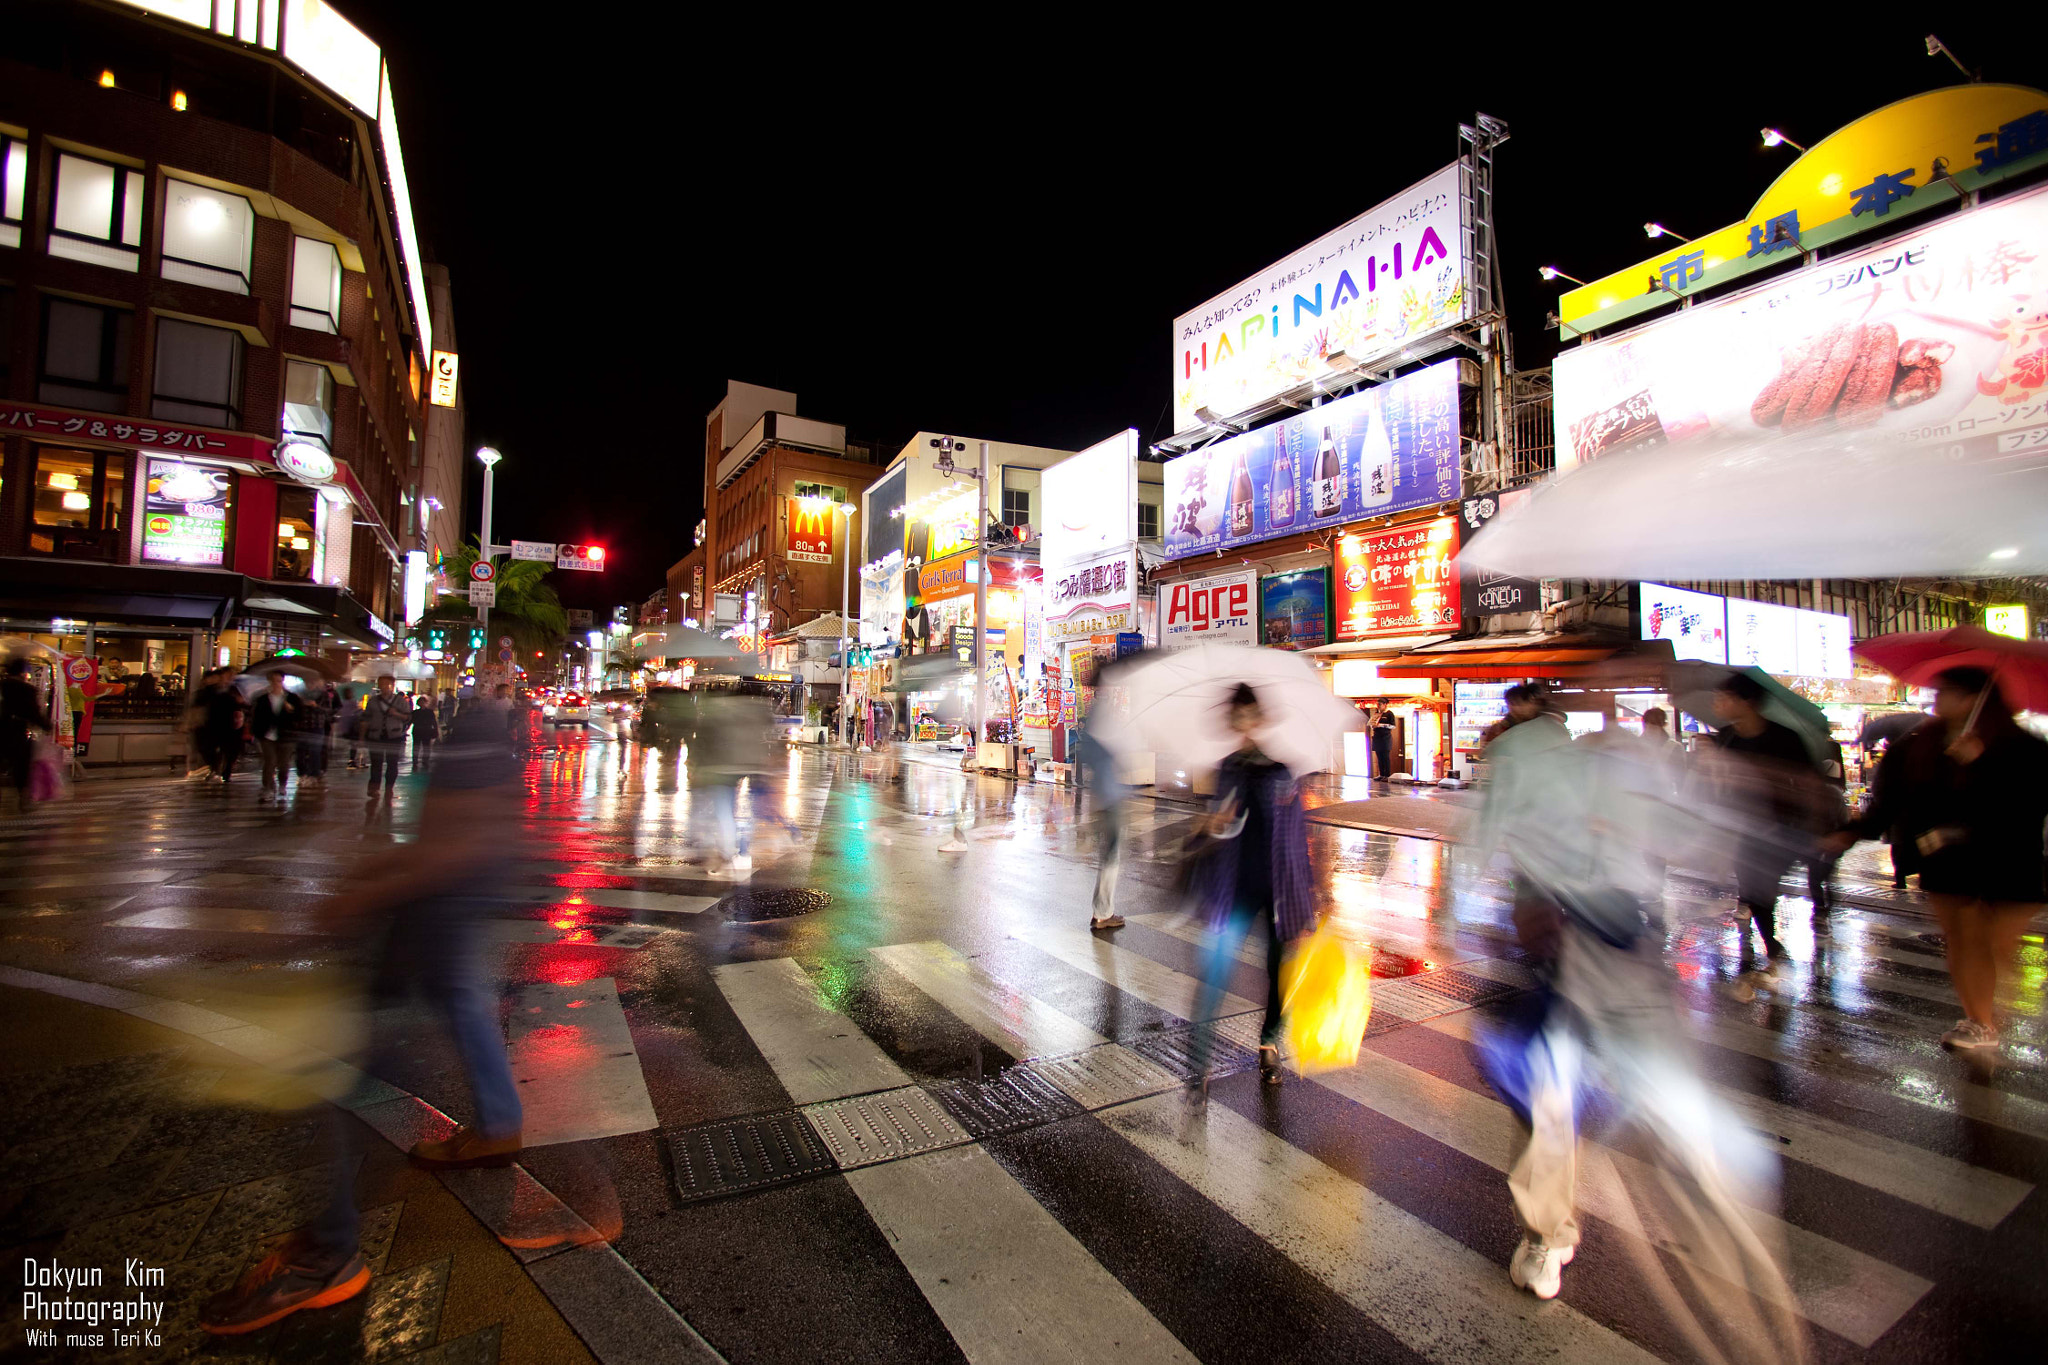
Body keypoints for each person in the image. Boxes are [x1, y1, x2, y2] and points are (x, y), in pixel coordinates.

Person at [200, 678, 528, 1336]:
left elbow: (461, 841)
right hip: (434, 919)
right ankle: (497, 1122)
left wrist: (366, 894)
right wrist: (380, 874)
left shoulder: (477, 736)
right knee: (448, 999)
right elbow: (464, 836)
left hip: (427, 920)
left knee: (325, 1071)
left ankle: (327, 1251)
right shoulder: (487, 734)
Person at [1829, 668, 2048, 1050]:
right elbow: (1891, 797)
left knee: (1993, 943)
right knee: (1963, 940)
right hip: (1948, 859)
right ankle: (1979, 1021)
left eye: (1946, 692)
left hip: (2009, 861)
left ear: (1973, 698)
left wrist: (1980, 766)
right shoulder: (1922, 743)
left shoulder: (2020, 745)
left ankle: (1990, 1009)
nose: (1937, 699)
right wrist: (1852, 832)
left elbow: (2033, 804)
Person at [1185, 683, 1317, 1089]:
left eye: (1248, 718)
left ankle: (1269, 1043)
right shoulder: (1226, 769)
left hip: (1276, 889)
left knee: (1279, 971)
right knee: (1217, 969)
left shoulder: (1281, 772)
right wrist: (1210, 825)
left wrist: (1308, 896)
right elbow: (1206, 830)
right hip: (1235, 886)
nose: (1243, 727)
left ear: (1260, 720)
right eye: (1235, 719)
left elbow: (1295, 837)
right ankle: (1200, 1056)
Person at [1711, 673, 1825, 971]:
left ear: (1747, 702)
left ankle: (1767, 943)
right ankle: (1770, 944)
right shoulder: (1725, 738)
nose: (1718, 704)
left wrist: (1813, 824)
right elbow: (1716, 784)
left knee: (1762, 886)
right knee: (1753, 886)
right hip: (1740, 828)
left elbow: (1810, 783)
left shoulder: (1784, 738)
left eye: (1725, 698)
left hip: (1778, 827)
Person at [1472, 684, 1574, 970]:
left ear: (1534, 703)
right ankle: (1556, 955)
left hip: (1541, 829)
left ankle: (1550, 962)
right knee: (1543, 896)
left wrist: (1487, 836)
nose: (1514, 710)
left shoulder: (1523, 738)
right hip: (1548, 829)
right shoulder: (1547, 731)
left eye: (1519, 704)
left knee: (1535, 900)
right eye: (1511, 705)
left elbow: (1500, 793)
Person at [689, 682, 776, 876]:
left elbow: (702, 741)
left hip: (720, 767)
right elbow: (766, 735)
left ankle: (726, 851)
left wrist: (696, 764)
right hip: (750, 766)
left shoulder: (716, 713)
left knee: (723, 810)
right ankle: (741, 850)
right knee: (746, 810)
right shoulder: (755, 711)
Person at [1073, 719, 1130, 930]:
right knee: (1111, 857)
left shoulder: (1097, 727)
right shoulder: (1106, 729)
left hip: (1102, 797)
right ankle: (1103, 913)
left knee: (1109, 855)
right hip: (1109, 800)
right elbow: (1110, 767)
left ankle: (1101, 911)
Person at [248, 673, 301, 800]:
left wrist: (291, 709)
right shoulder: (263, 699)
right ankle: (267, 787)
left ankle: (282, 783)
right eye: (274, 681)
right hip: (268, 735)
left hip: (286, 735)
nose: (277, 684)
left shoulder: (291, 698)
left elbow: (299, 716)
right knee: (270, 762)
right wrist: (256, 732)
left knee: (283, 763)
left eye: (279, 681)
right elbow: (256, 717)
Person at [360, 675, 412, 799]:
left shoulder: (400, 701)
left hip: (394, 736)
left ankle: (389, 788)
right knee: (376, 764)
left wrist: (396, 714)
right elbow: (365, 719)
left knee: (392, 763)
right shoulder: (373, 701)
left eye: (386, 684)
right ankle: (374, 788)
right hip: (375, 736)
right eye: (381, 684)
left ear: (393, 686)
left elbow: (408, 717)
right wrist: (361, 738)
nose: (383, 687)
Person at [2, 658, 40, 804]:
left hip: (4, 729)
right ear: (23, 672)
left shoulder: (2, 685)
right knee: (22, 763)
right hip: (16, 731)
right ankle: (23, 794)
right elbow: (32, 712)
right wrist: (45, 725)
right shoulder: (26, 689)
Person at [202, 669, 248, 783]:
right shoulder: (213, 690)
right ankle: (216, 769)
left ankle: (225, 772)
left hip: (233, 726)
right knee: (214, 749)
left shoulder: (236, 690)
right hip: (216, 724)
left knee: (231, 751)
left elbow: (245, 706)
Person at [410, 694, 441, 770]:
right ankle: (416, 761)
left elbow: (434, 722)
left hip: (424, 730)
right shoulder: (416, 712)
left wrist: (436, 730)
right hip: (420, 730)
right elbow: (410, 721)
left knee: (425, 747)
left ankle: (424, 761)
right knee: (418, 747)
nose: (422, 704)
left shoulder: (427, 712)